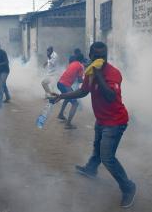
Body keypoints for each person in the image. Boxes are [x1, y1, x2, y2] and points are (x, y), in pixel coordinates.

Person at [52, 42, 136, 208]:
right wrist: (63, 96)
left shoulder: (113, 73)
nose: (101, 59)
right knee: (97, 147)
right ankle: (91, 169)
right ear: (90, 57)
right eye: (97, 56)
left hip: (116, 122)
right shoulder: (90, 73)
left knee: (107, 158)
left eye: (103, 56)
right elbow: (83, 91)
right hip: (102, 120)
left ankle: (128, 187)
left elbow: (111, 96)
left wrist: (98, 76)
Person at [56, 53, 84, 129]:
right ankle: (68, 124)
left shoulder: (72, 63)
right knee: (75, 103)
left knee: (67, 98)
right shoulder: (80, 66)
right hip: (65, 85)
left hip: (60, 83)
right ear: (82, 60)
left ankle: (61, 114)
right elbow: (80, 80)